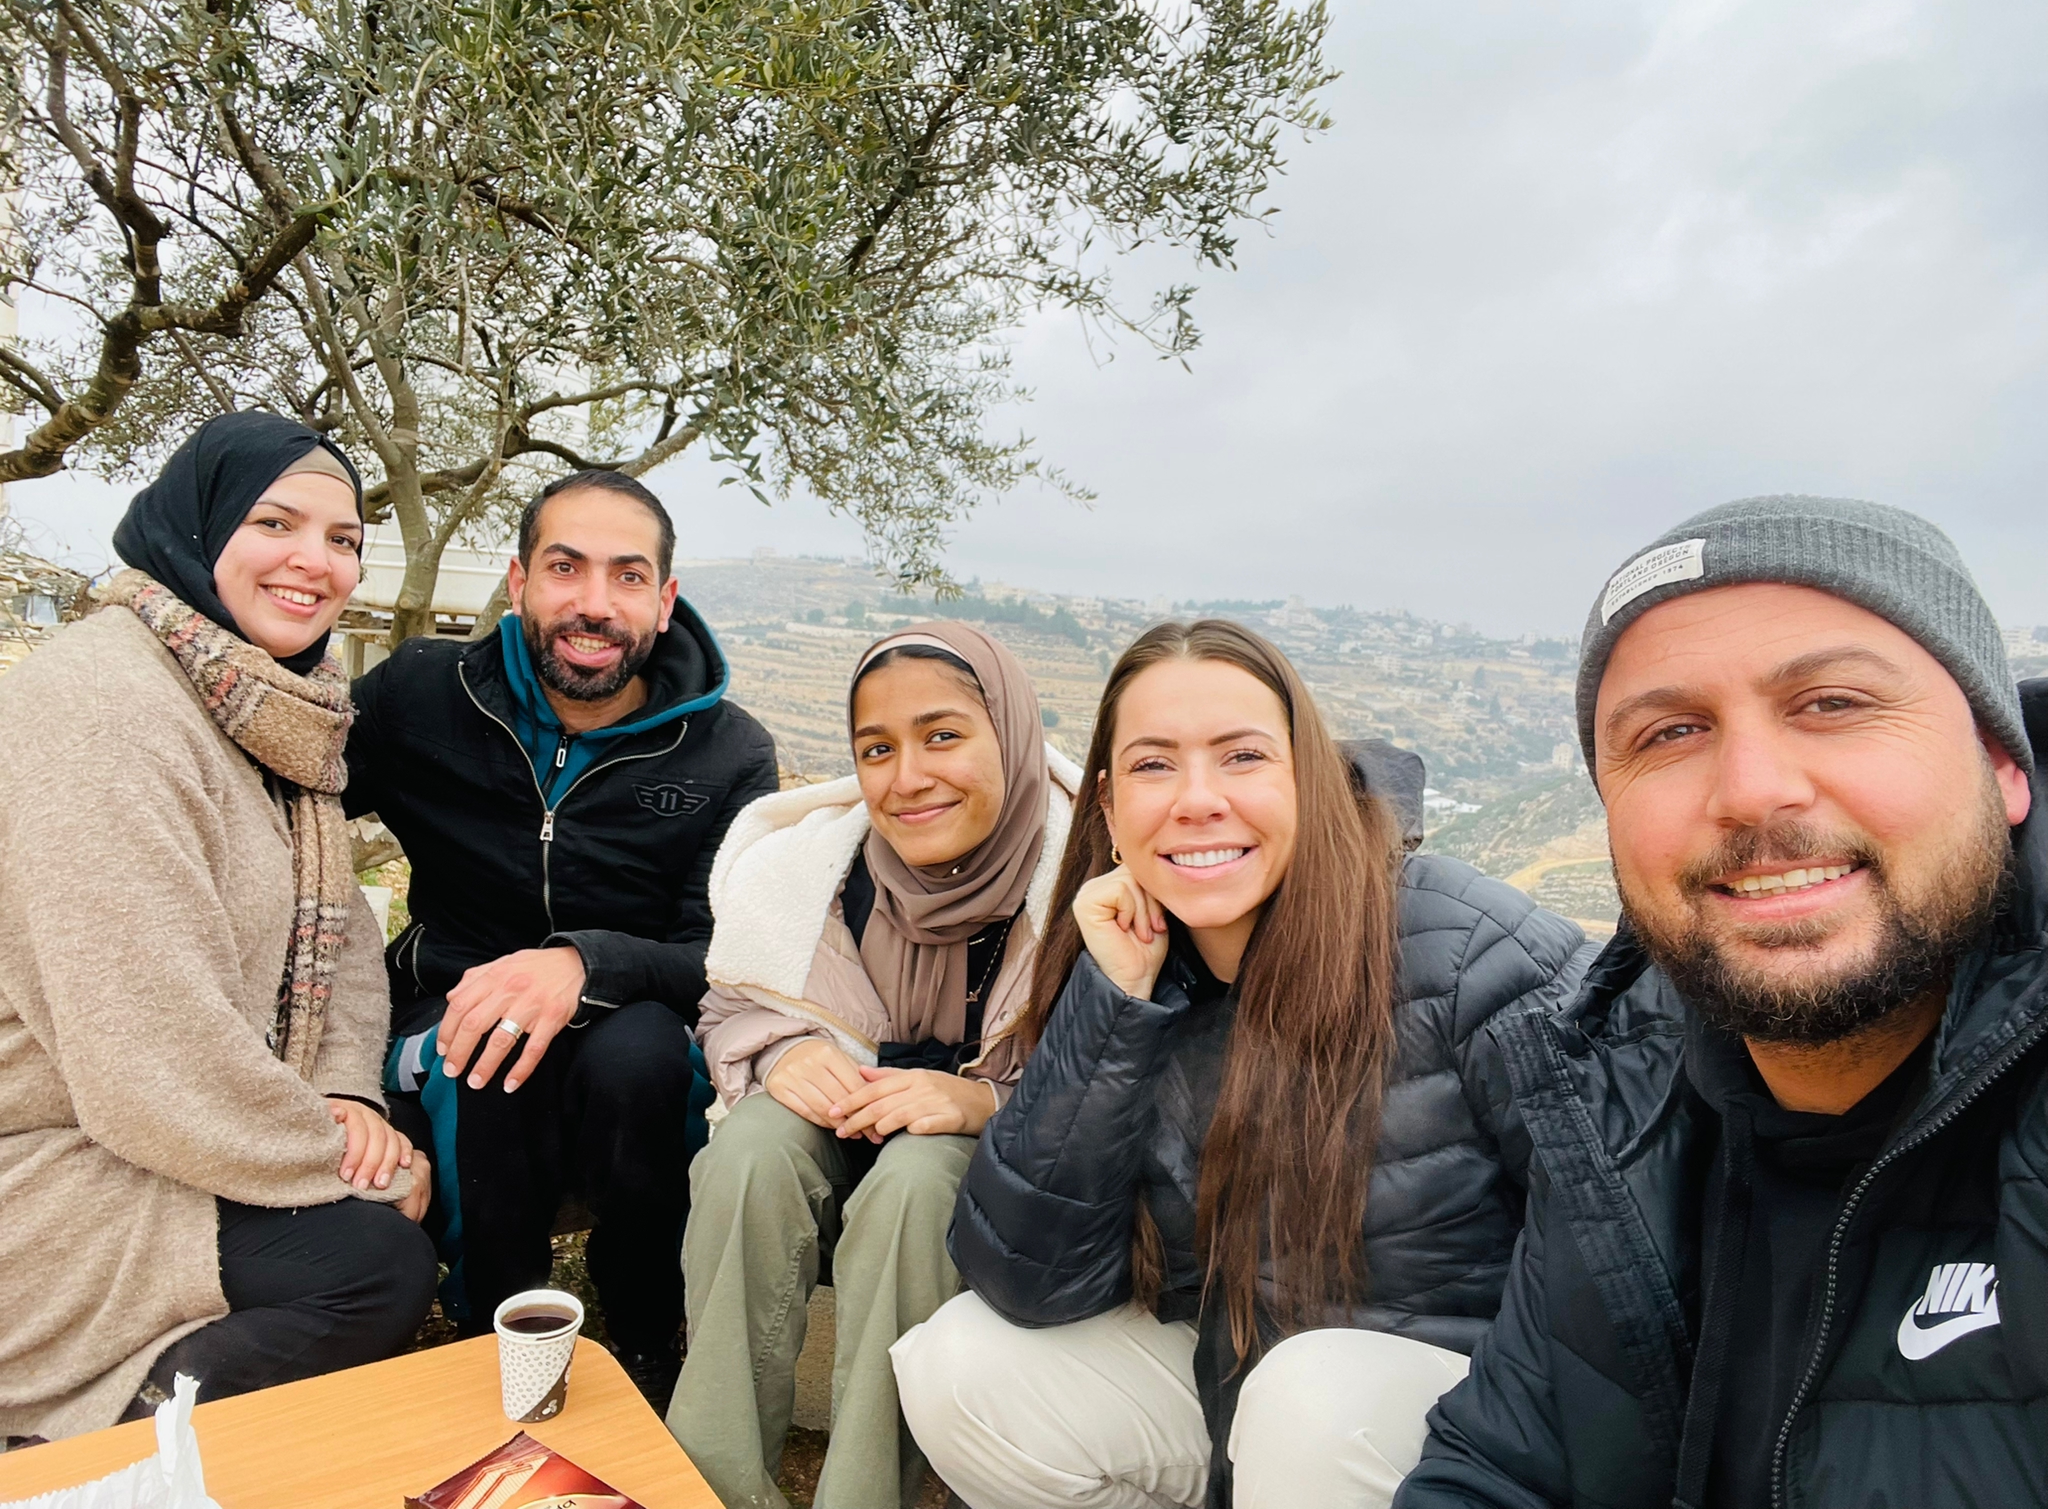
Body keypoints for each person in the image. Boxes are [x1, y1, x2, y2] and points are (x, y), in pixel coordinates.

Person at [1397, 497, 2048, 1508]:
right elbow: (1497, 1466)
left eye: (1831, 703)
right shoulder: (1617, 1096)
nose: (1748, 790)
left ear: (2000, 766)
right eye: (1669, 732)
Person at [891, 619, 1595, 1509]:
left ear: (1308, 779)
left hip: (1472, 1436)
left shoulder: (1470, 953)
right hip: (1245, 1403)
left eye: (1242, 757)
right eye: (1153, 766)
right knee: (965, 1364)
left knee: (1310, 1398)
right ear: (1108, 809)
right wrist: (1112, 1010)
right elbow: (1027, 1282)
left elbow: (1619, 1271)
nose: (1196, 800)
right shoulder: (1127, 968)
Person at [0, 413, 435, 1444]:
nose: (315, 563)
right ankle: (87, 1459)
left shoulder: (270, 714)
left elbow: (338, 951)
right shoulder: (98, 711)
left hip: (156, 1133)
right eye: (276, 522)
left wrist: (342, 1094)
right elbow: (140, 1044)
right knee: (368, 1268)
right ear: (193, 528)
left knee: (387, 1232)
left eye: (343, 541)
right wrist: (339, 1164)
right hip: (50, 1156)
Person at [344, 469, 778, 1402]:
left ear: (664, 602)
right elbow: (290, 808)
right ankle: (494, 1321)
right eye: (565, 568)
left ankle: (646, 1324)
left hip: (638, 1013)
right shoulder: (420, 697)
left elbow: (726, 950)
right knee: (492, 1044)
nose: (593, 603)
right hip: (447, 992)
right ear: (518, 583)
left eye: (627, 576)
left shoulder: (728, 751)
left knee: (640, 1061)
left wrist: (582, 963)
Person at [670, 623, 1080, 1509]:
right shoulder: (815, 872)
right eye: (877, 749)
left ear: (1009, 732)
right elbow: (734, 1003)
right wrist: (786, 1048)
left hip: (994, 1164)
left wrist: (979, 1102)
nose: (909, 777)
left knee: (916, 1182)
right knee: (749, 1153)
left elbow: (1115, 1081)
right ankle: (711, 1484)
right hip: (847, 1126)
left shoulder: (1086, 883)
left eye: (943, 736)